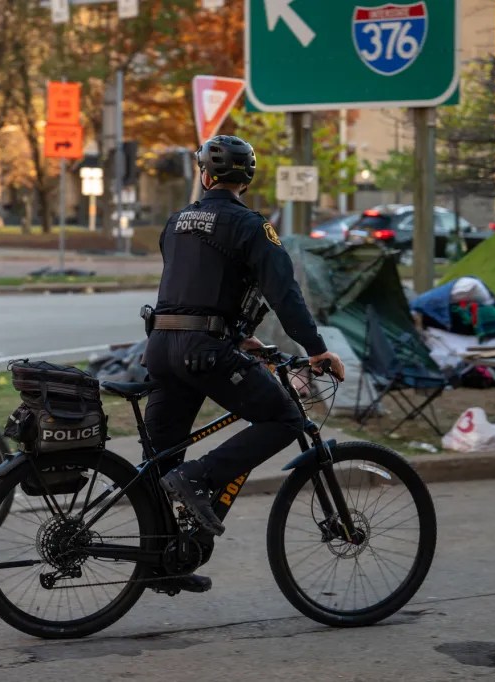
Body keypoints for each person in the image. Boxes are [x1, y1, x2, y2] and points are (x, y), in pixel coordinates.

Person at [144, 135, 345, 590]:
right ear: (245, 180)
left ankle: (161, 562)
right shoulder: (251, 227)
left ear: (205, 175)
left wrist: (237, 335)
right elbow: (284, 295)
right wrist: (316, 348)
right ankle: (199, 478)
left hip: (161, 346)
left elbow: (192, 284)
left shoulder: (175, 223)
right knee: (285, 417)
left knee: (159, 460)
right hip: (204, 352)